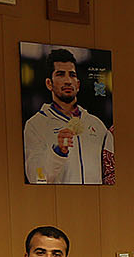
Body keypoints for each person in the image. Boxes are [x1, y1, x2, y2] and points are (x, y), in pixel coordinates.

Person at [22, 47, 114, 185]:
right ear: (49, 83)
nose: (68, 81)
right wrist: (58, 152)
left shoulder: (96, 124)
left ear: (78, 84)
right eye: (60, 74)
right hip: (59, 199)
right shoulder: (35, 125)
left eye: (72, 75)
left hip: (96, 198)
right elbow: (37, 178)